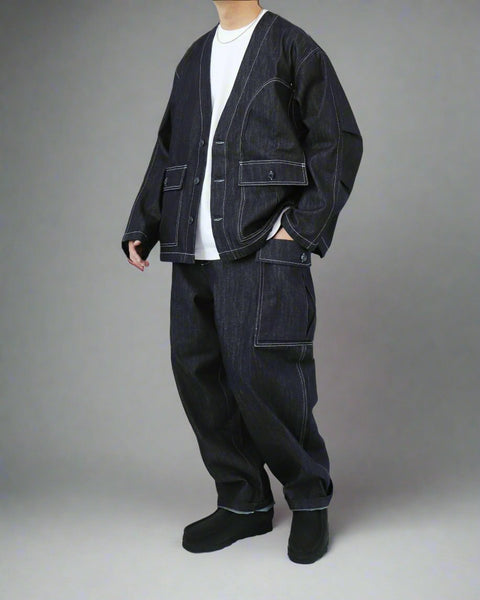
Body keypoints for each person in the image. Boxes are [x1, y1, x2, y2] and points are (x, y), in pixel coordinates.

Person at [121, 1, 363, 564]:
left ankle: (309, 498)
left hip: (261, 245)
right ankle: (244, 501)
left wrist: (300, 230)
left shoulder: (292, 47)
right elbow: (167, 148)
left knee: (265, 378)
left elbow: (338, 138)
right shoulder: (194, 58)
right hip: (191, 247)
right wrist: (144, 223)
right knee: (199, 376)